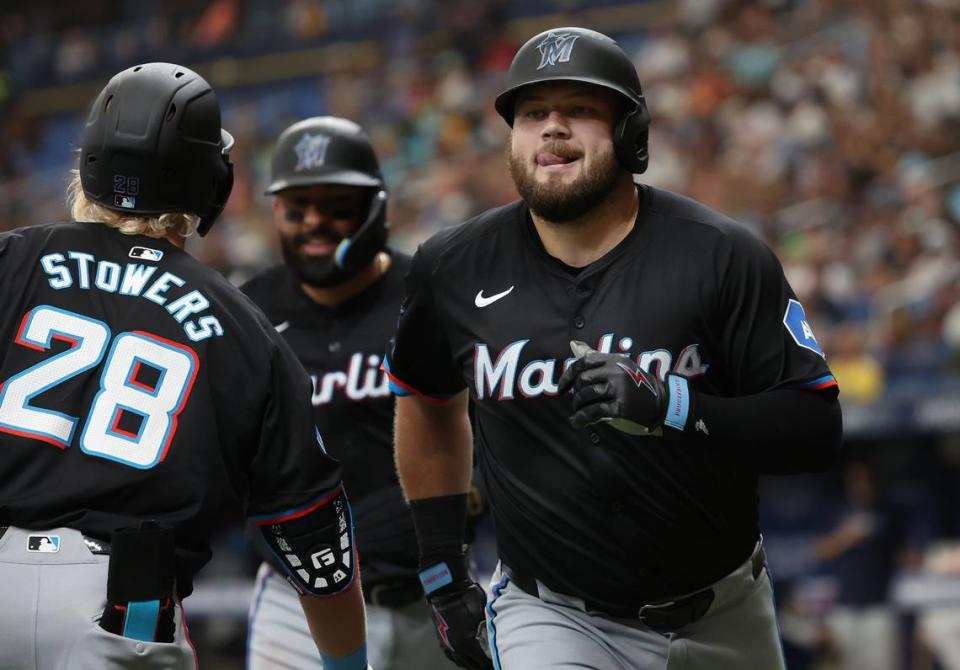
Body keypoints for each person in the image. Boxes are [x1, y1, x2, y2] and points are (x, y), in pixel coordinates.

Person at [384, 27, 843, 670]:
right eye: (533, 113)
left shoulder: (721, 254)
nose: (552, 128)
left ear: (632, 135)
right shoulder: (452, 267)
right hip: (553, 615)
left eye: (580, 110)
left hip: (724, 612)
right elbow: (426, 401)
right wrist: (440, 567)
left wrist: (673, 404)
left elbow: (816, 427)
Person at [0, 64, 369, 670]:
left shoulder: (13, 258)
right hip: (120, 607)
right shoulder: (245, 324)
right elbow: (315, 543)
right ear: (210, 179)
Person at [242, 116, 454, 669]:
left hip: (431, 594)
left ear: (374, 210)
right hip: (297, 606)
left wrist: (449, 502)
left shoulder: (427, 297)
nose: (314, 222)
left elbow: (494, 437)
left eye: (335, 205)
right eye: (296, 207)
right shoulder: (247, 314)